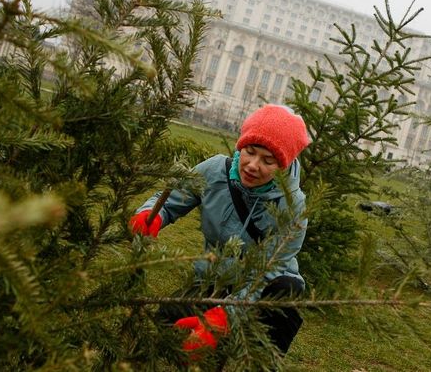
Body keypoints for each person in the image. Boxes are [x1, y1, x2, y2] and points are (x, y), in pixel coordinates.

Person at [130, 104, 310, 357]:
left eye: (268, 161)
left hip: (262, 288)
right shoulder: (215, 171)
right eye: (250, 151)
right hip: (212, 278)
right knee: (165, 325)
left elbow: (269, 269)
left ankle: (256, 355)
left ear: (282, 165)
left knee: (283, 294)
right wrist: (152, 215)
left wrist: (226, 316)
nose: (253, 165)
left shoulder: (292, 204)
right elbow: (171, 199)